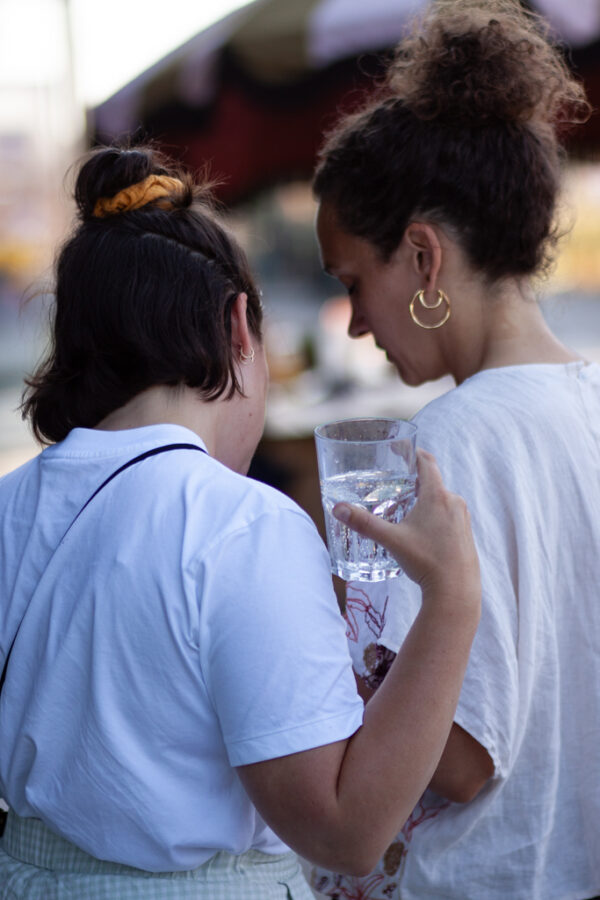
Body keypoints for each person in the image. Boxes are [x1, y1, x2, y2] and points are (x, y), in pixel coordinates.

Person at [0, 145, 480, 899]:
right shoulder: (243, 524)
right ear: (239, 330)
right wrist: (451, 601)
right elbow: (346, 832)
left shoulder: (10, 505)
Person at [311, 1, 600, 898]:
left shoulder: (444, 446)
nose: (357, 325)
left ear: (425, 259)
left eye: (357, 282)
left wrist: (326, 626)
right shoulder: (589, 401)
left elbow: (463, 757)